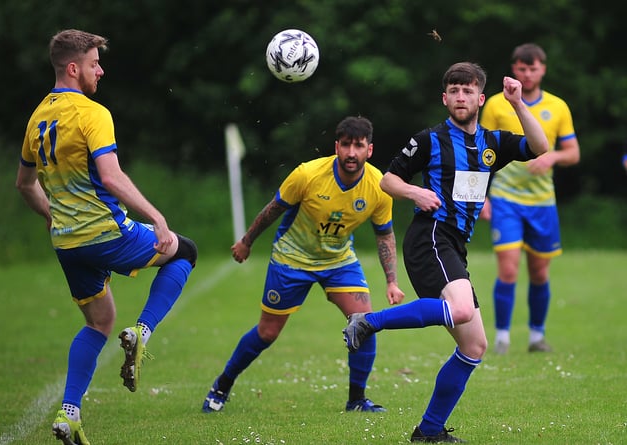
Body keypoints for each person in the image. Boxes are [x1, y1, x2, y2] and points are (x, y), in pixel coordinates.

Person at [342, 62, 549, 442]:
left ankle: (429, 430)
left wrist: (519, 104)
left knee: (475, 345)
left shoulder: (492, 143)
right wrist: (415, 191)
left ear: (480, 98)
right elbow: (388, 179)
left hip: (454, 244)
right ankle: (368, 322)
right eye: (453, 90)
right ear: (444, 97)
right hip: (431, 237)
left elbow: (540, 147)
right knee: (462, 309)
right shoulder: (429, 140)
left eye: (467, 91)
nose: (460, 97)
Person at [16, 29, 197, 445]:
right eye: (95, 62)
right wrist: (157, 217)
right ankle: (143, 333)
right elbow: (111, 176)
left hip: (66, 243)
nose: (101, 69)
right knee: (183, 250)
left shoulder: (38, 116)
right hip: (105, 233)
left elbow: (25, 184)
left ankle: (70, 414)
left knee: (99, 322)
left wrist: (52, 214)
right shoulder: (92, 112)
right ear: (74, 67)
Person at [202, 116, 405, 414]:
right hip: (292, 259)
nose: (351, 153)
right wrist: (247, 241)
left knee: (364, 324)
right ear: (336, 146)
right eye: (346, 145)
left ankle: (357, 400)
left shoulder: (379, 186)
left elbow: (385, 235)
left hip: (338, 260)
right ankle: (222, 385)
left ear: (369, 150)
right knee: (268, 333)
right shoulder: (307, 175)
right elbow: (273, 210)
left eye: (358, 146)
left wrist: (391, 281)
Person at [480, 43, 580, 354]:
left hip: (542, 202)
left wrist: (552, 158)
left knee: (539, 271)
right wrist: (481, 196)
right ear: (514, 70)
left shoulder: (558, 107)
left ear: (543, 69)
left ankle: (536, 337)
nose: (527, 73)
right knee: (508, 270)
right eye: (522, 68)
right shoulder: (497, 104)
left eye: (533, 68)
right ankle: (502, 339)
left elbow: (573, 153)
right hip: (505, 198)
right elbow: (479, 153)